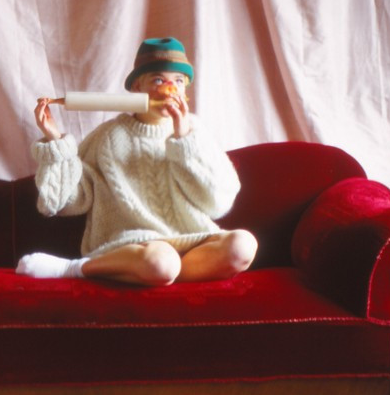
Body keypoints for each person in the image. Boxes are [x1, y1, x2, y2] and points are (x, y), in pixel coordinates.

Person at [16, 37, 257, 286]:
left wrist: (184, 139)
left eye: (178, 81)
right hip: (137, 246)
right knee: (162, 262)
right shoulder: (108, 136)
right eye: (158, 80)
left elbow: (218, 203)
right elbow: (66, 201)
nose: (169, 90)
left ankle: (164, 276)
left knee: (243, 244)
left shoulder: (196, 131)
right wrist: (55, 141)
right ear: (137, 86)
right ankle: (76, 268)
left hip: (193, 240)